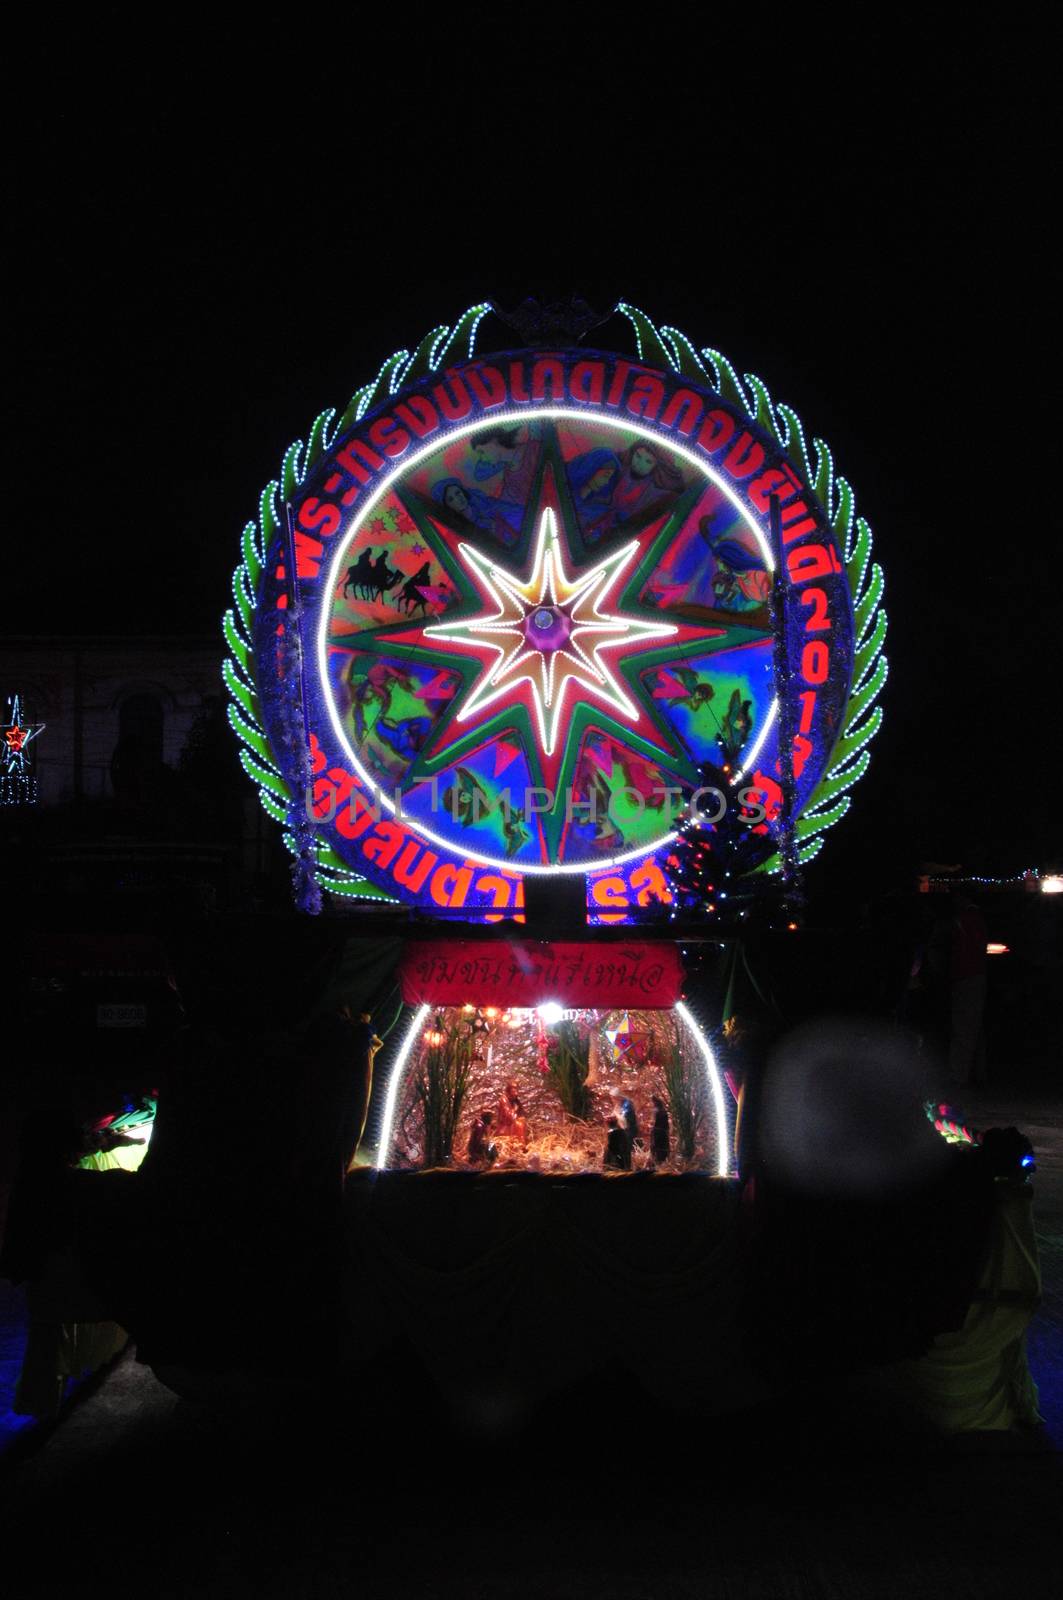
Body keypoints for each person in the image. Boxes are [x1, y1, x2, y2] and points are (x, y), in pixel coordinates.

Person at [651, 1096, 670, 1166]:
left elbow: (655, 1123)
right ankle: (662, 1162)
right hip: (663, 1132)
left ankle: (657, 1163)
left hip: (658, 1132)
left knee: (657, 1149)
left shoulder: (657, 1111)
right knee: (663, 1148)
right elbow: (666, 1124)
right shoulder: (663, 1111)